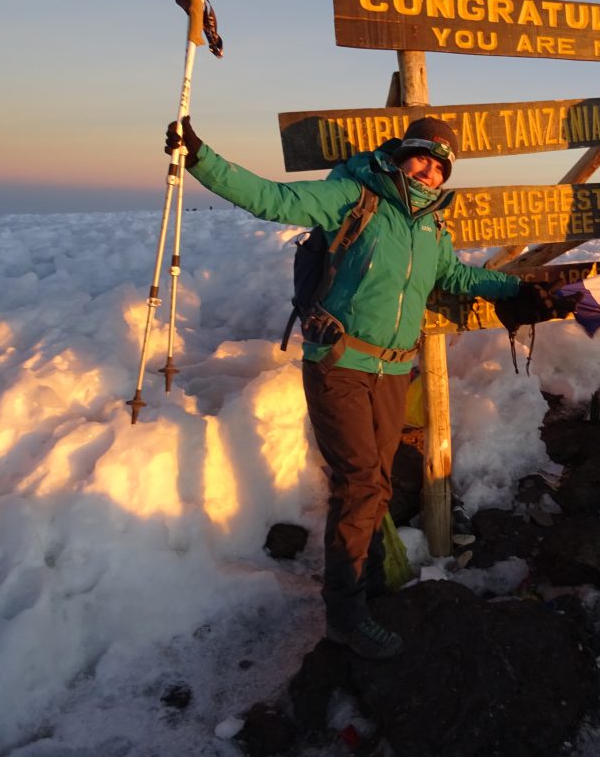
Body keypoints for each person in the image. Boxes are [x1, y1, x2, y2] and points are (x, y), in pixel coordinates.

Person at [165, 115, 561, 658]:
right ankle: (345, 613)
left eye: (441, 165)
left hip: (395, 372)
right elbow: (270, 198)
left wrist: (513, 290)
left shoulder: (430, 227)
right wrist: (202, 158)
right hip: (340, 365)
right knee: (358, 484)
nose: (429, 170)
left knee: (374, 480)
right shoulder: (355, 197)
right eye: (422, 156)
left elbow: (456, 276)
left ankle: (370, 581)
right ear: (401, 155)